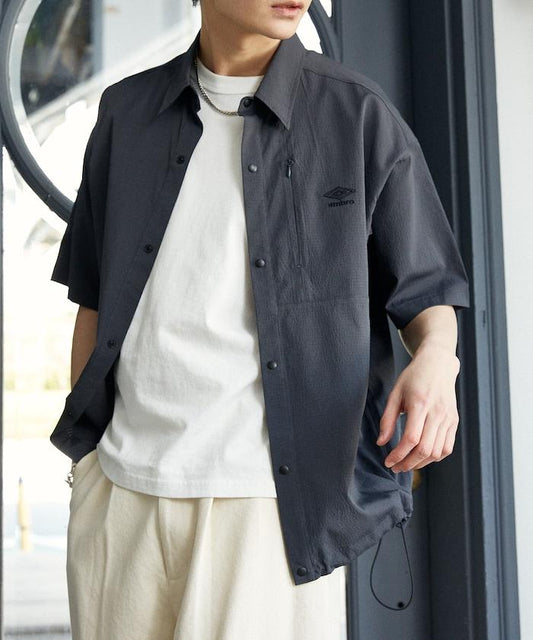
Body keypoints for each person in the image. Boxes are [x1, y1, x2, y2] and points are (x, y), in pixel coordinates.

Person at [50, 0, 471, 638]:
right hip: (121, 494)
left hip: (268, 505)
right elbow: (94, 297)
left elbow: (428, 285)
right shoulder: (125, 112)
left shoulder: (354, 112)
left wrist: (438, 356)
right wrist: (87, 469)